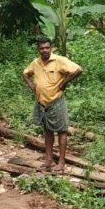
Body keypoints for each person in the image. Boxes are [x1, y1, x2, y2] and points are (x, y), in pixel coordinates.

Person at [22, 37, 82, 172]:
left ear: (51, 48)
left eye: (47, 48)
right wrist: (31, 85)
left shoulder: (59, 61)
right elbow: (25, 73)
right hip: (42, 102)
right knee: (47, 130)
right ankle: (49, 159)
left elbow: (78, 70)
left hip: (56, 100)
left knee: (61, 131)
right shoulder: (36, 63)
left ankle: (61, 162)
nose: (44, 50)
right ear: (38, 49)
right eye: (42, 48)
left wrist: (64, 82)